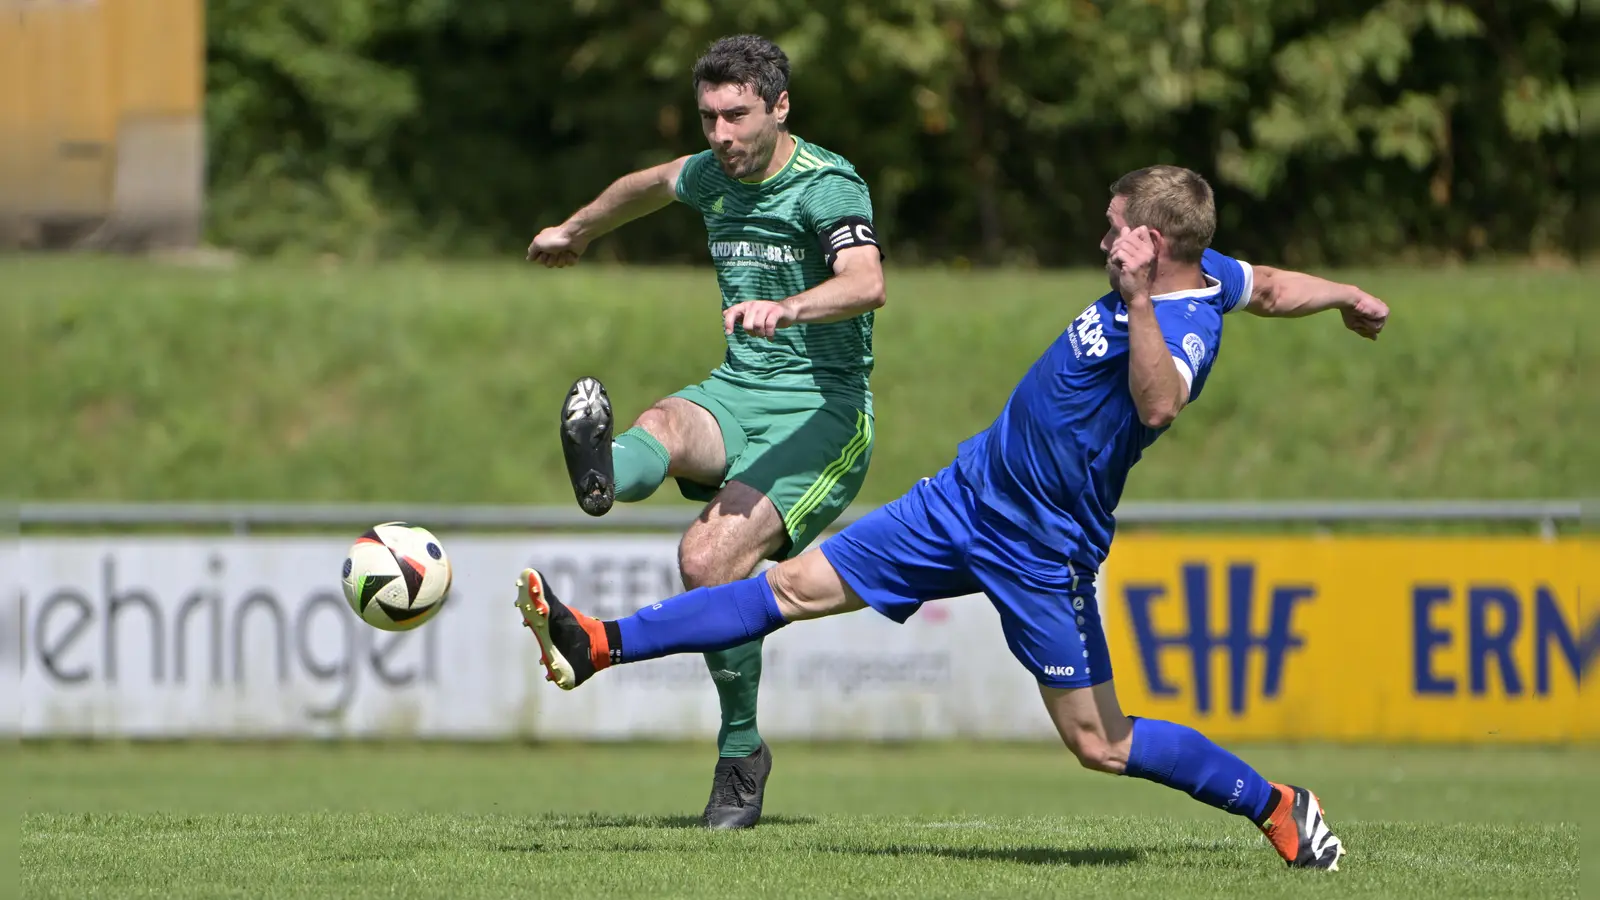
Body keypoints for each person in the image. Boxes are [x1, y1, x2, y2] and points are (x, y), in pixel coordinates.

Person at [517, 165, 1390, 869]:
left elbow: (1158, 405)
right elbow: (1270, 285)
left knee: (1101, 744)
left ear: (1147, 244)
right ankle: (601, 643)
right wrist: (1347, 293)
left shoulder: (1180, 324)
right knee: (788, 587)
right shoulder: (1213, 273)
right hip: (964, 498)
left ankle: (1280, 805)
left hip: (1042, 551)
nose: (1099, 238)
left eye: (1111, 224)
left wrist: (1134, 304)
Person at [525, 34, 887, 829]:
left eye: (737, 115)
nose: (720, 134)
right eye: (708, 117)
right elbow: (644, 186)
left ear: (780, 106)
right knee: (658, 425)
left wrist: (789, 307)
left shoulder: (824, 187)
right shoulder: (709, 173)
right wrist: (577, 230)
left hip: (823, 412)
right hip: (738, 389)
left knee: (707, 559)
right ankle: (602, 478)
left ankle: (740, 753)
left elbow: (868, 282)